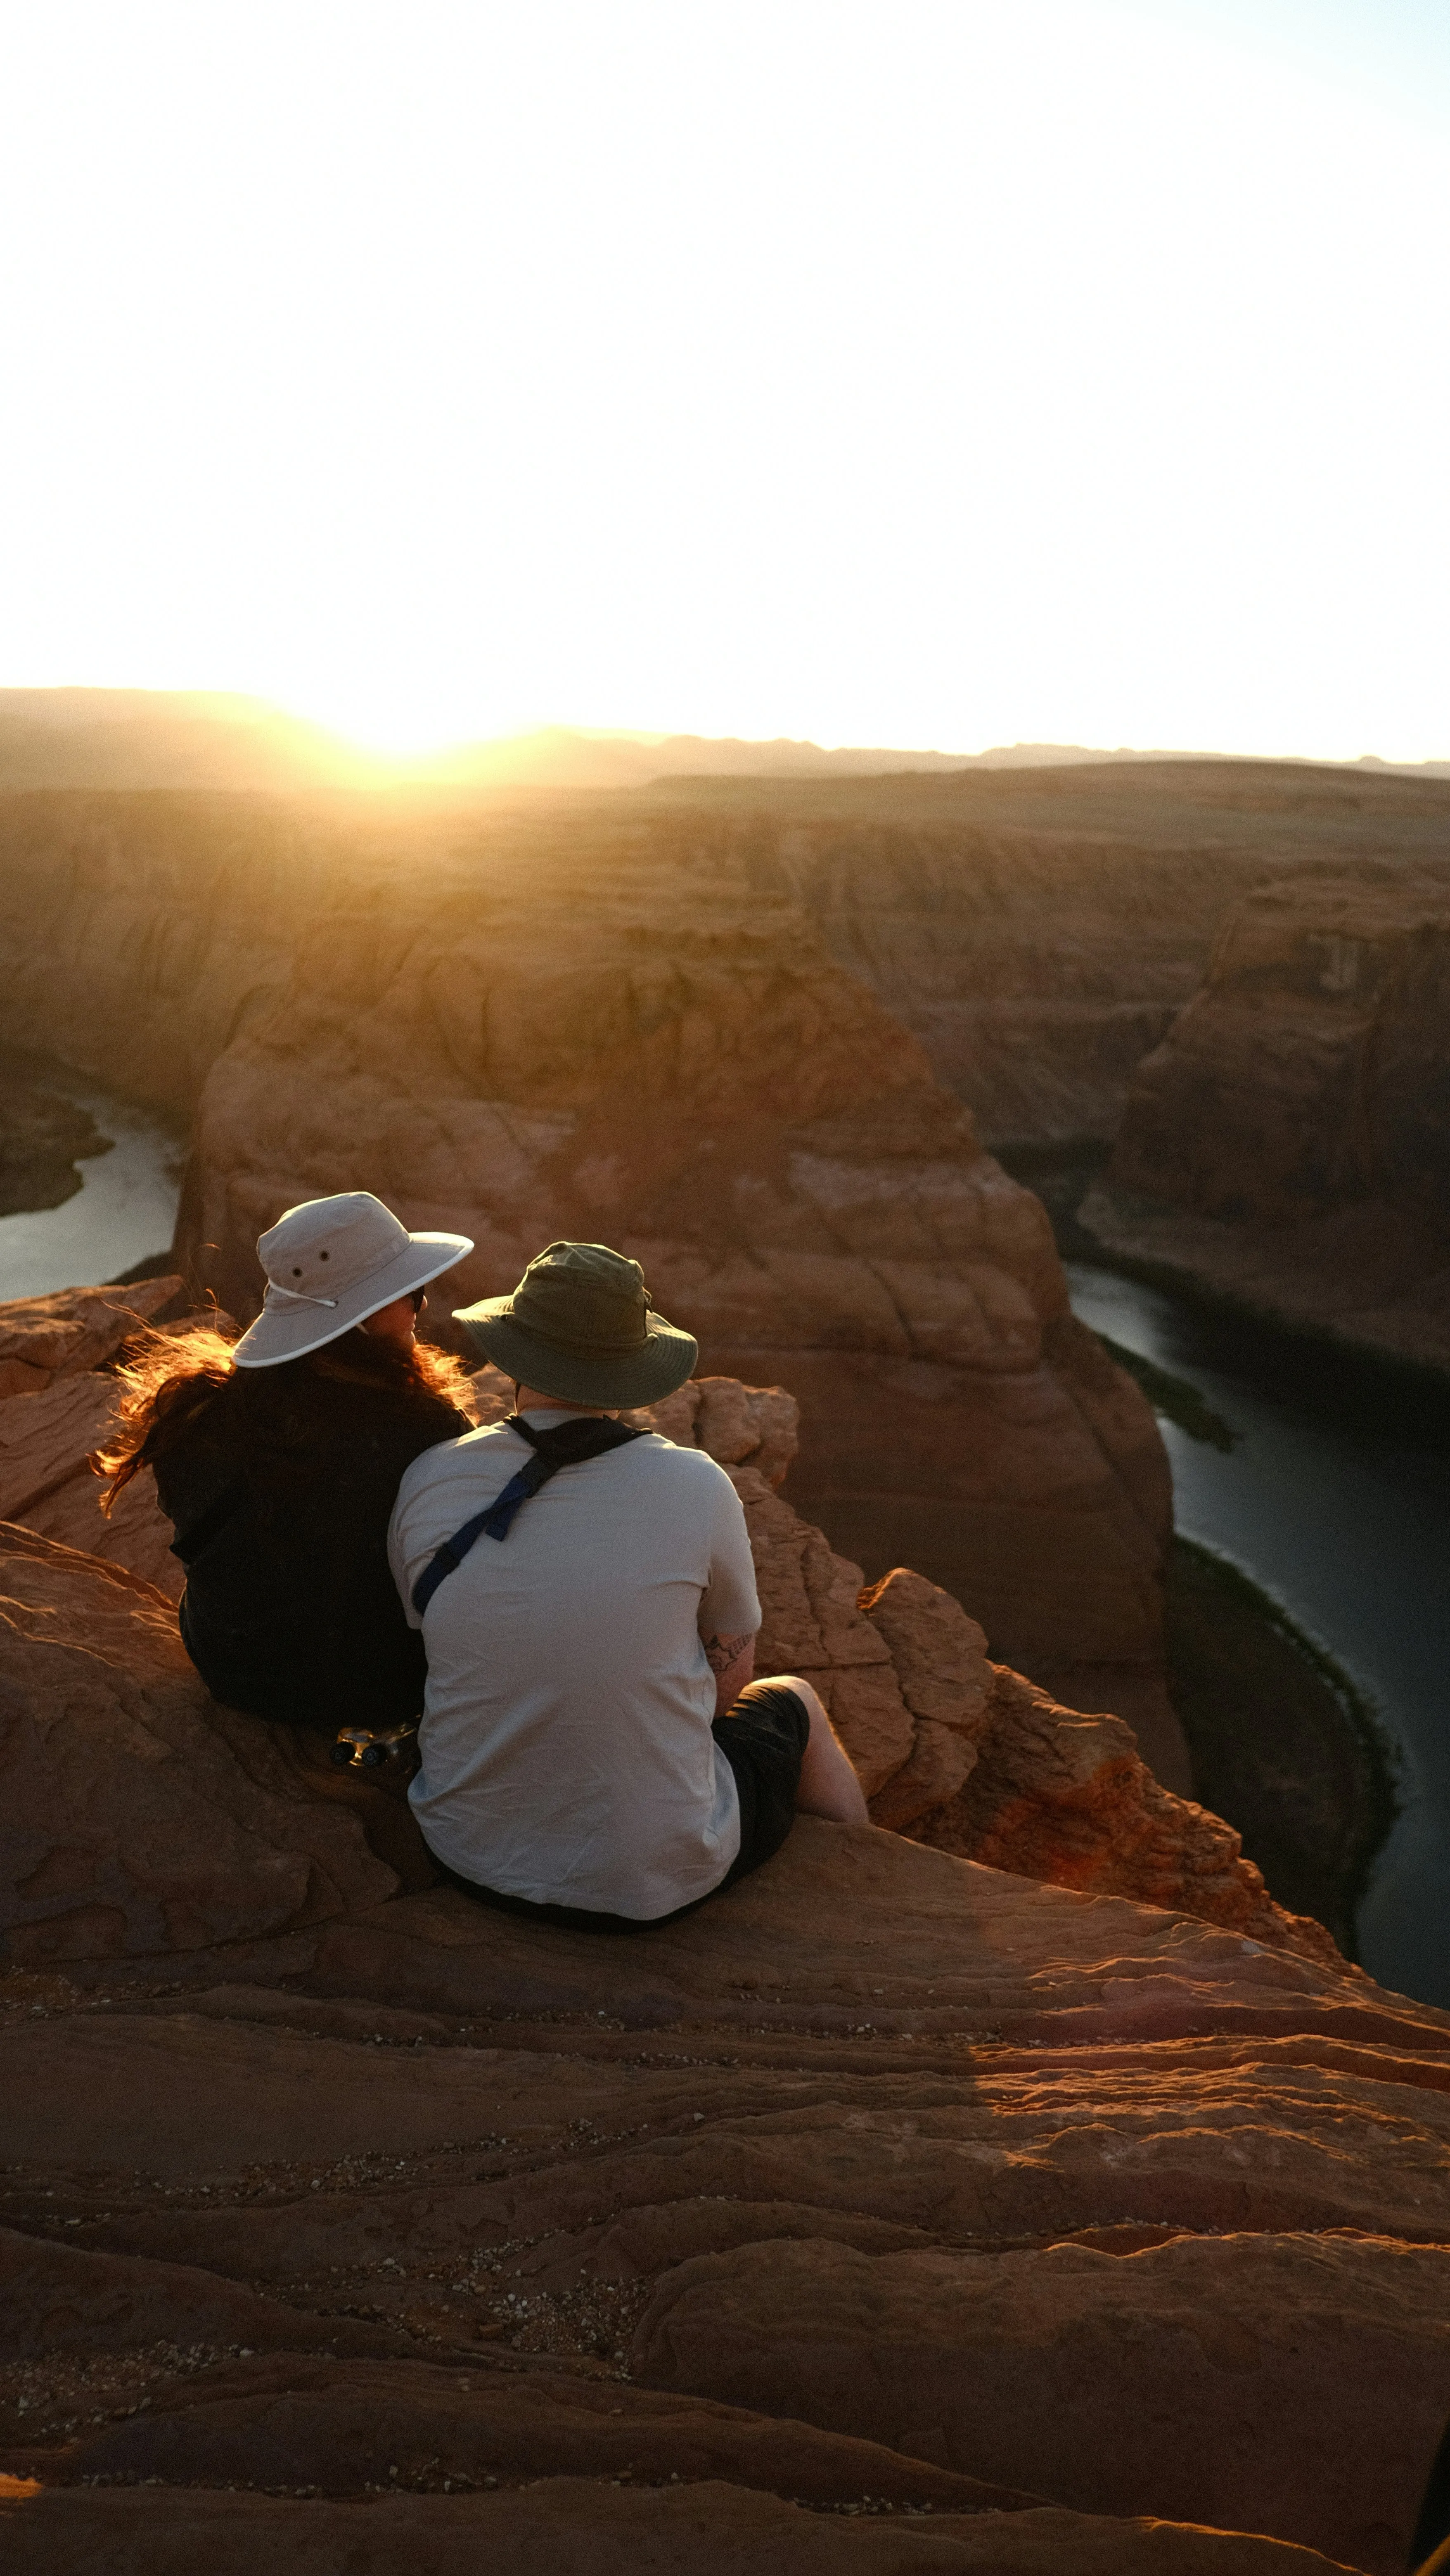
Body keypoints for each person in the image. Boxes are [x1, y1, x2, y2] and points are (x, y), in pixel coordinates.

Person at [386, 1238, 868, 1932]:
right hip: (654, 1882)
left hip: (469, 1857)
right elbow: (734, 1665)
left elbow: (427, 1631)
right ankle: (862, 1896)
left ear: (516, 1350)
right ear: (631, 1368)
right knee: (795, 1701)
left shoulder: (431, 1475)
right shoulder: (696, 1484)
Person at [99, 1191, 475, 1739]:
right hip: (376, 1691)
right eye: (409, 1292)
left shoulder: (197, 1407)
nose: (422, 1306)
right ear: (361, 1318)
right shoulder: (428, 1429)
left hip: (231, 1666)